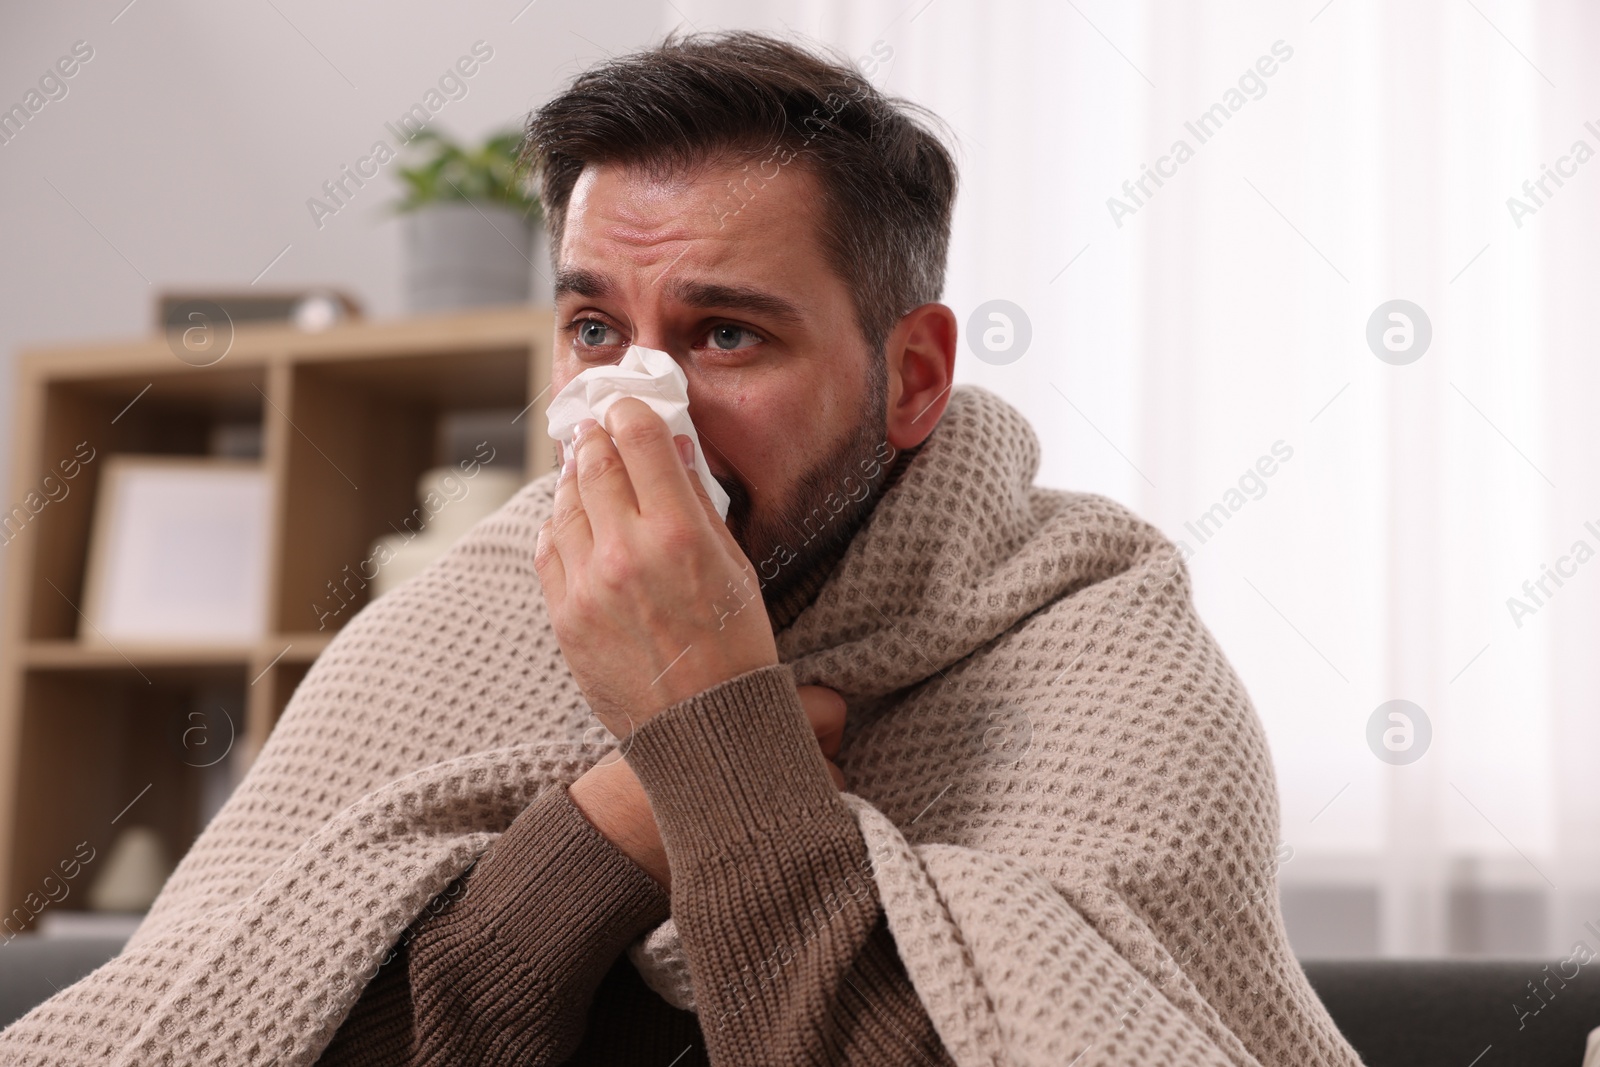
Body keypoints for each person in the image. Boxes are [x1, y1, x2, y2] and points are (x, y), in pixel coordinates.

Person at [0, 31, 1360, 1067]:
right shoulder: (464, 612)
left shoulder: (1100, 648)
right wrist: (612, 830)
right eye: (596, 329)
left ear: (912, 377)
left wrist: (710, 731)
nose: (633, 409)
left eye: (725, 335)